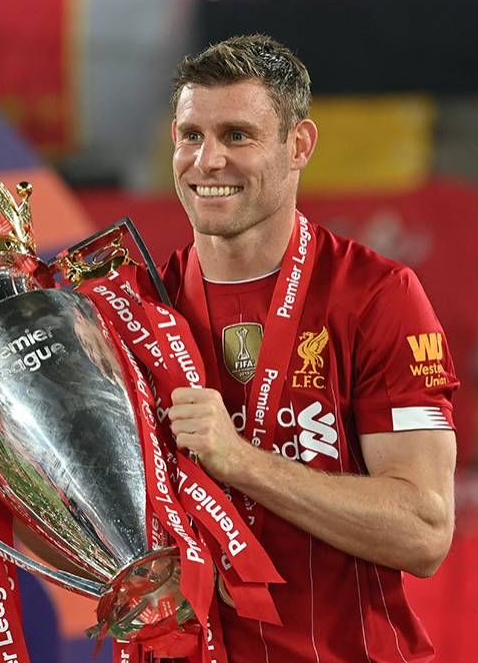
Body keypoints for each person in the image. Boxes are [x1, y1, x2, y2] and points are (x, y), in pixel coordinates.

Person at [161, 35, 457, 661]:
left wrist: (241, 462)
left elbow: (424, 530)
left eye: (237, 135)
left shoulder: (377, 296)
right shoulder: (141, 307)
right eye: (192, 136)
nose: (208, 161)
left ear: (299, 145)